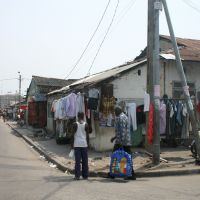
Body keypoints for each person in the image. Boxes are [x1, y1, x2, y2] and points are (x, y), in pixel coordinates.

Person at [110, 106, 136, 180]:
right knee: (128, 157)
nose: (114, 113)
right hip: (126, 141)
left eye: (115, 111)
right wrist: (114, 137)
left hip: (121, 142)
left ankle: (112, 174)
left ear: (118, 111)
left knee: (114, 157)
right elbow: (121, 130)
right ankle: (131, 174)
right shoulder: (125, 116)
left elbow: (122, 131)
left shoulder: (120, 118)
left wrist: (121, 142)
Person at [71, 112, 90, 180]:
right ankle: (85, 175)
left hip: (77, 144)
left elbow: (72, 135)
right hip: (84, 144)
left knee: (78, 161)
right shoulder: (86, 124)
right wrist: (88, 144)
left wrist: (72, 145)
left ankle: (77, 176)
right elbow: (87, 136)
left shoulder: (75, 124)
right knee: (85, 161)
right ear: (83, 116)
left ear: (77, 116)